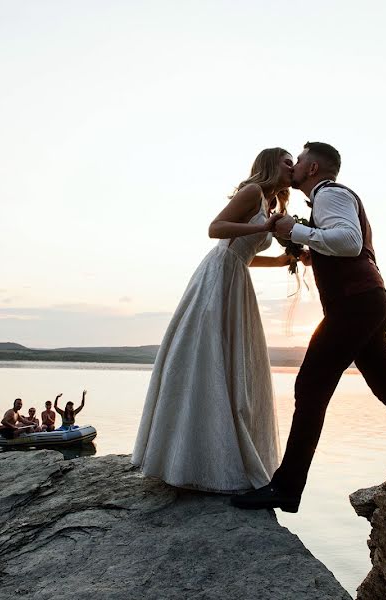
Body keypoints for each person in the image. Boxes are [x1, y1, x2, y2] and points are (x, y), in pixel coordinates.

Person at [232, 142, 386, 514]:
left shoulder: (329, 194)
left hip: (355, 305)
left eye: (298, 161)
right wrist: (308, 252)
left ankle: (286, 487)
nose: (293, 167)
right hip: (369, 302)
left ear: (313, 169)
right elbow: (343, 246)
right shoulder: (331, 200)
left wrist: (295, 232)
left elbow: (349, 243)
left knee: (310, 388)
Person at [132, 148, 296, 492]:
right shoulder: (252, 192)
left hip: (236, 275)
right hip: (218, 275)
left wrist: (282, 262)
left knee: (234, 365)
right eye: (287, 161)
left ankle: (220, 452)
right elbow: (216, 229)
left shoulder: (270, 204)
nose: (292, 167)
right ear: (269, 164)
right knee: (206, 358)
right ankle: (187, 457)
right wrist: (267, 225)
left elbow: (244, 253)